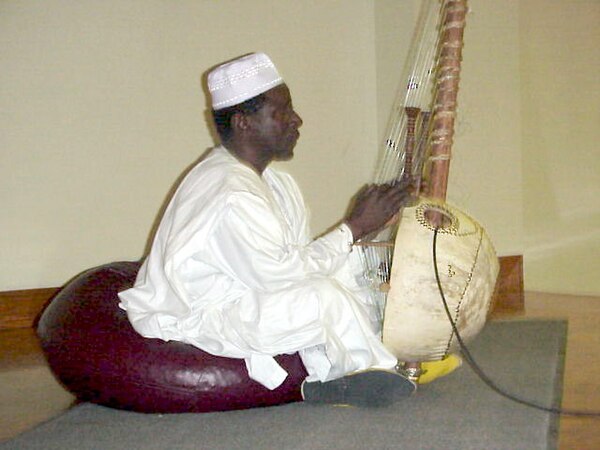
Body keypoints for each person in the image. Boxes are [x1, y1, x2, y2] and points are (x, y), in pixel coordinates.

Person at [118, 52, 417, 407]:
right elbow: (285, 277)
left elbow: (298, 261)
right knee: (324, 298)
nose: (297, 120)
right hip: (203, 316)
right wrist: (353, 227)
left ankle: (339, 373)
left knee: (351, 279)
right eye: (283, 112)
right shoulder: (230, 192)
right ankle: (372, 373)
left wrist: (372, 227)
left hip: (251, 295)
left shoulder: (277, 183)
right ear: (244, 122)